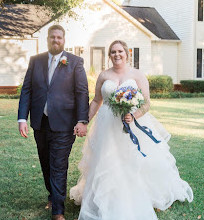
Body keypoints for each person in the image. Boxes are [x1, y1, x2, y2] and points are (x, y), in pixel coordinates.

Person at [70, 40, 193, 220]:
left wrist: (134, 115)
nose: (117, 54)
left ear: (127, 53)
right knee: (107, 160)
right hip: (106, 126)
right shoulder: (104, 75)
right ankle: (107, 197)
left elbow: (147, 103)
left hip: (131, 124)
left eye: (120, 51)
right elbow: (97, 101)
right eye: (113, 52)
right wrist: (84, 121)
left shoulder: (137, 75)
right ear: (109, 55)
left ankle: (135, 196)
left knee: (131, 160)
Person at [18, 25, 89, 220]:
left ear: (64, 40)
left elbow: (82, 92)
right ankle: (52, 194)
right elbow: (27, 90)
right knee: (45, 162)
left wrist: (82, 120)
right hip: (40, 123)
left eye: (59, 37)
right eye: (52, 37)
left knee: (58, 164)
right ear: (48, 39)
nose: (55, 40)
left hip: (64, 124)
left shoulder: (75, 62)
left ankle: (58, 210)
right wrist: (22, 118)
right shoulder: (36, 61)